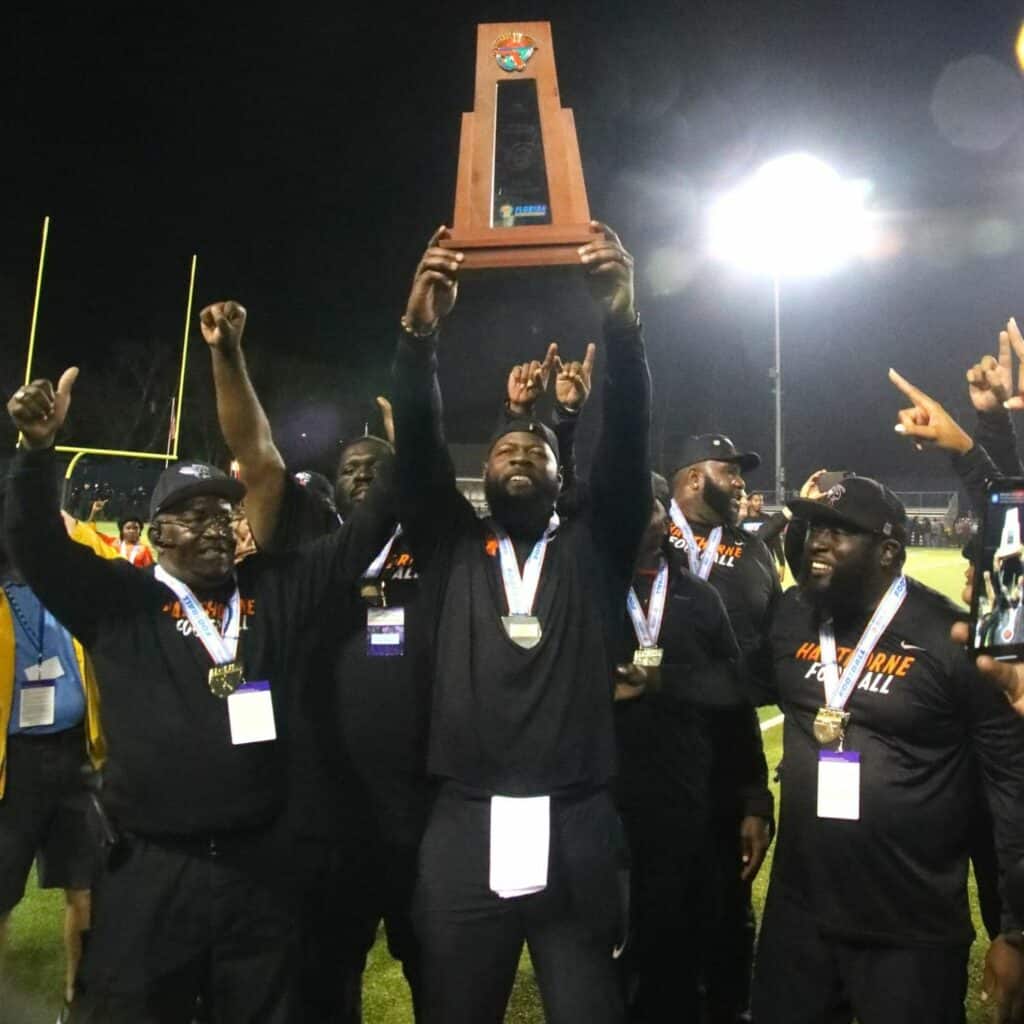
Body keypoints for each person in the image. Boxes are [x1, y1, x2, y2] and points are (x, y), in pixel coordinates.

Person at [5, 367, 395, 1023]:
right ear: (156, 534)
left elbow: (362, 533)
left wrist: (412, 400)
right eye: (193, 515)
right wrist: (36, 453)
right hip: (151, 869)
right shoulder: (118, 600)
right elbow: (36, 545)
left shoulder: (271, 590)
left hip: (261, 871)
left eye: (224, 512)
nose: (216, 525)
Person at [392, 221, 649, 1024]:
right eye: (504, 446)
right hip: (465, 819)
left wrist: (622, 324)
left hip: (577, 818)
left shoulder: (592, 546)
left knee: (589, 1010)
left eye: (535, 450)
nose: (517, 454)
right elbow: (420, 453)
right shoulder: (452, 547)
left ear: (559, 472)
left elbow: (628, 445)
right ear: (483, 471)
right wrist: (418, 336)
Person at [200, 298, 423, 1022]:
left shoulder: (440, 555)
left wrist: (412, 436)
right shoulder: (309, 550)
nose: (362, 475)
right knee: (327, 983)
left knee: (445, 977)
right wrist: (228, 354)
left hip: (421, 808)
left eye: (378, 467)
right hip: (324, 814)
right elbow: (258, 459)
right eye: (351, 467)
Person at [750, 475, 1024, 1024]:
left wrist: (1015, 929)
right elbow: (729, 694)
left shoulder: (950, 637)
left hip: (910, 928)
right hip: (799, 919)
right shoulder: (790, 616)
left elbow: (1011, 783)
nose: (817, 542)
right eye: (814, 528)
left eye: (839, 531)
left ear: (889, 551)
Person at [612, 474, 771, 1023]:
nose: (638, 519)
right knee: (618, 962)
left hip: (695, 804)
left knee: (693, 953)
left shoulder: (698, 597)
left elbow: (734, 700)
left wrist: (753, 797)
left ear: (664, 518)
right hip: (608, 812)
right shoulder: (582, 591)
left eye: (649, 508)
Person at [668, 433, 776, 1023]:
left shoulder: (755, 552)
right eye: (728, 471)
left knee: (730, 913)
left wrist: (754, 795)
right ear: (691, 478)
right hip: (648, 762)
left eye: (740, 473)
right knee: (653, 918)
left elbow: (763, 658)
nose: (739, 482)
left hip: (727, 758)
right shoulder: (645, 535)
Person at [0, 475, 109, 1021]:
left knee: (86, 887)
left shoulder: (68, 580)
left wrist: (62, 524)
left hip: (75, 756)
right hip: (10, 767)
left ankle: (79, 998)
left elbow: (102, 553)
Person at [85, 500, 154, 568]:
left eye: (135, 528)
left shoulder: (144, 550)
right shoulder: (112, 543)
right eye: (128, 528)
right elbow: (90, 532)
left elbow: (149, 573)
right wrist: (94, 512)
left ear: (140, 531)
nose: (132, 531)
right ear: (122, 530)